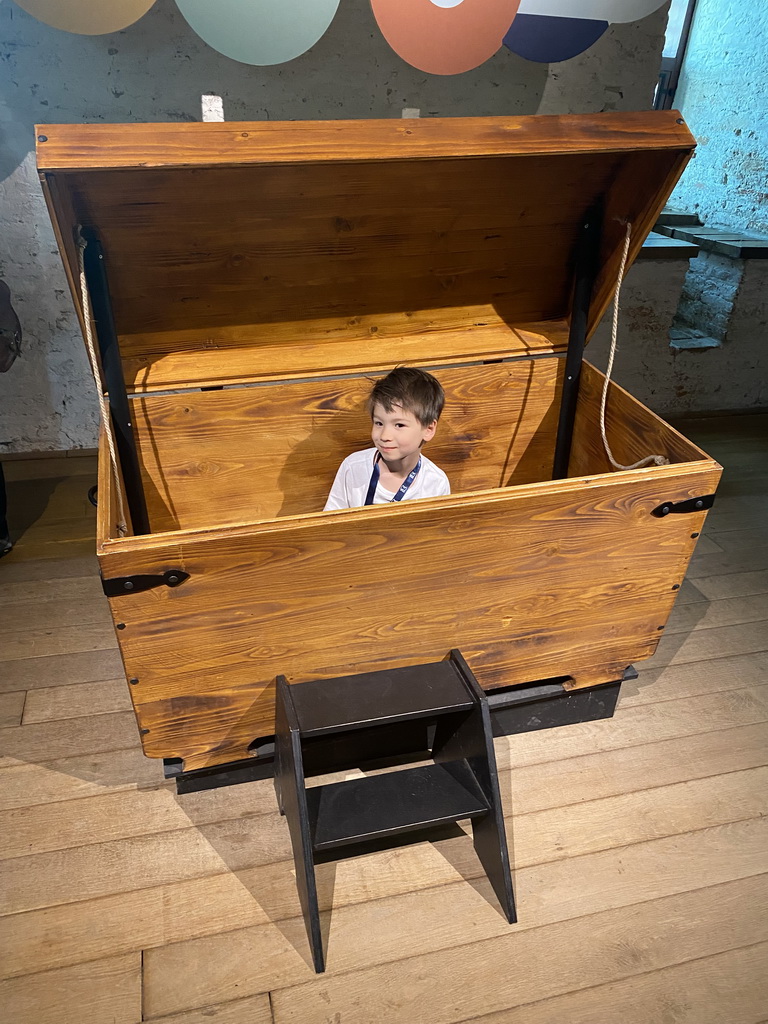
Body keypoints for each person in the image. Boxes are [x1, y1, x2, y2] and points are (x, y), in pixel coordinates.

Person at [324, 366, 450, 511]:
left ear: (428, 429)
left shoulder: (436, 483)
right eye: (379, 423)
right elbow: (331, 523)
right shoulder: (353, 467)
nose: (384, 436)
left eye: (399, 425)